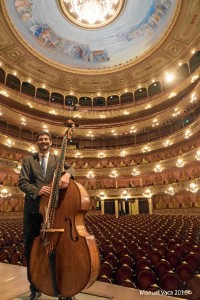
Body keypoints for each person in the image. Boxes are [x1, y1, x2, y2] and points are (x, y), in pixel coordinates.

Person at [18, 131, 75, 300]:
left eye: (46, 139)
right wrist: (37, 190)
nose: (43, 141)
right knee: (32, 251)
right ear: (37, 142)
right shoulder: (28, 160)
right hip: (33, 211)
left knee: (59, 251)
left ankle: (64, 289)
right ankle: (35, 289)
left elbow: (71, 167)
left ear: (51, 142)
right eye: (40, 139)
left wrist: (67, 174)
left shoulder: (57, 160)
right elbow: (22, 182)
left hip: (53, 211)